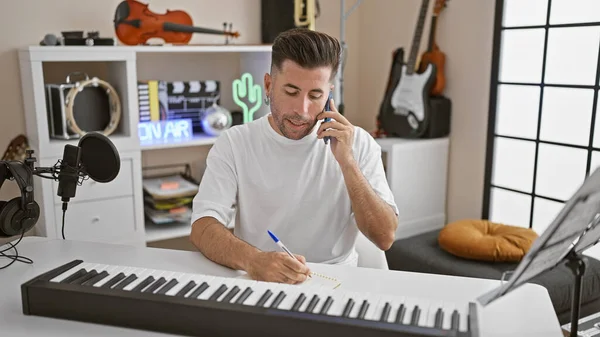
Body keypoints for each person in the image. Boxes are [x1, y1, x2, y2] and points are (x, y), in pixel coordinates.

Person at [190, 28, 398, 285]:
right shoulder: (235, 143)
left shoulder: (359, 143)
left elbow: (384, 237)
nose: (302, 110)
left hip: (338, 281)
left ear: (329, 94)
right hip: (262, 276)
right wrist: (254, 260)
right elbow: (202, 227)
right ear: (268, 85)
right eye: (291, 92)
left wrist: (347, 162)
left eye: (315, 95)